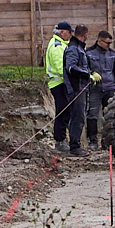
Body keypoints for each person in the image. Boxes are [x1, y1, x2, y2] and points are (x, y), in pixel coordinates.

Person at [85, 30, 115, 148]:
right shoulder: (89, 52)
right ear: (99, 41)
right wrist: (91, 74)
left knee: (110, 116)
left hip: (110, 88)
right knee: (92, 115)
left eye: (110, 43)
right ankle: (93, 141)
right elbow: (84, 68)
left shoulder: (112, 54)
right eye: (107, 43)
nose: (109, 45)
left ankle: (107, 141)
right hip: (95, 88)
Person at [63, 24, 93, 156]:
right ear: (85, 35)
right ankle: (74, 147)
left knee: (80, 116)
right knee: (77, 117)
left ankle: (76, 145)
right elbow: (71, 68)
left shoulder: (80, 48)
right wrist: (87, 74)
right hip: (76, 89)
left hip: (82, 88)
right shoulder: (73, 49)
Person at [45, 22, 73, 153]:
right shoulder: (57, 46)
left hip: (61, 83)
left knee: (65, 112)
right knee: (62, 112)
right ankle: (60, 141)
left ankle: (62, 140)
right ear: (62, 32)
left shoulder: (61, 45)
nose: (71, 34)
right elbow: (60, 67)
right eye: (69, 32)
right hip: (59, 83)